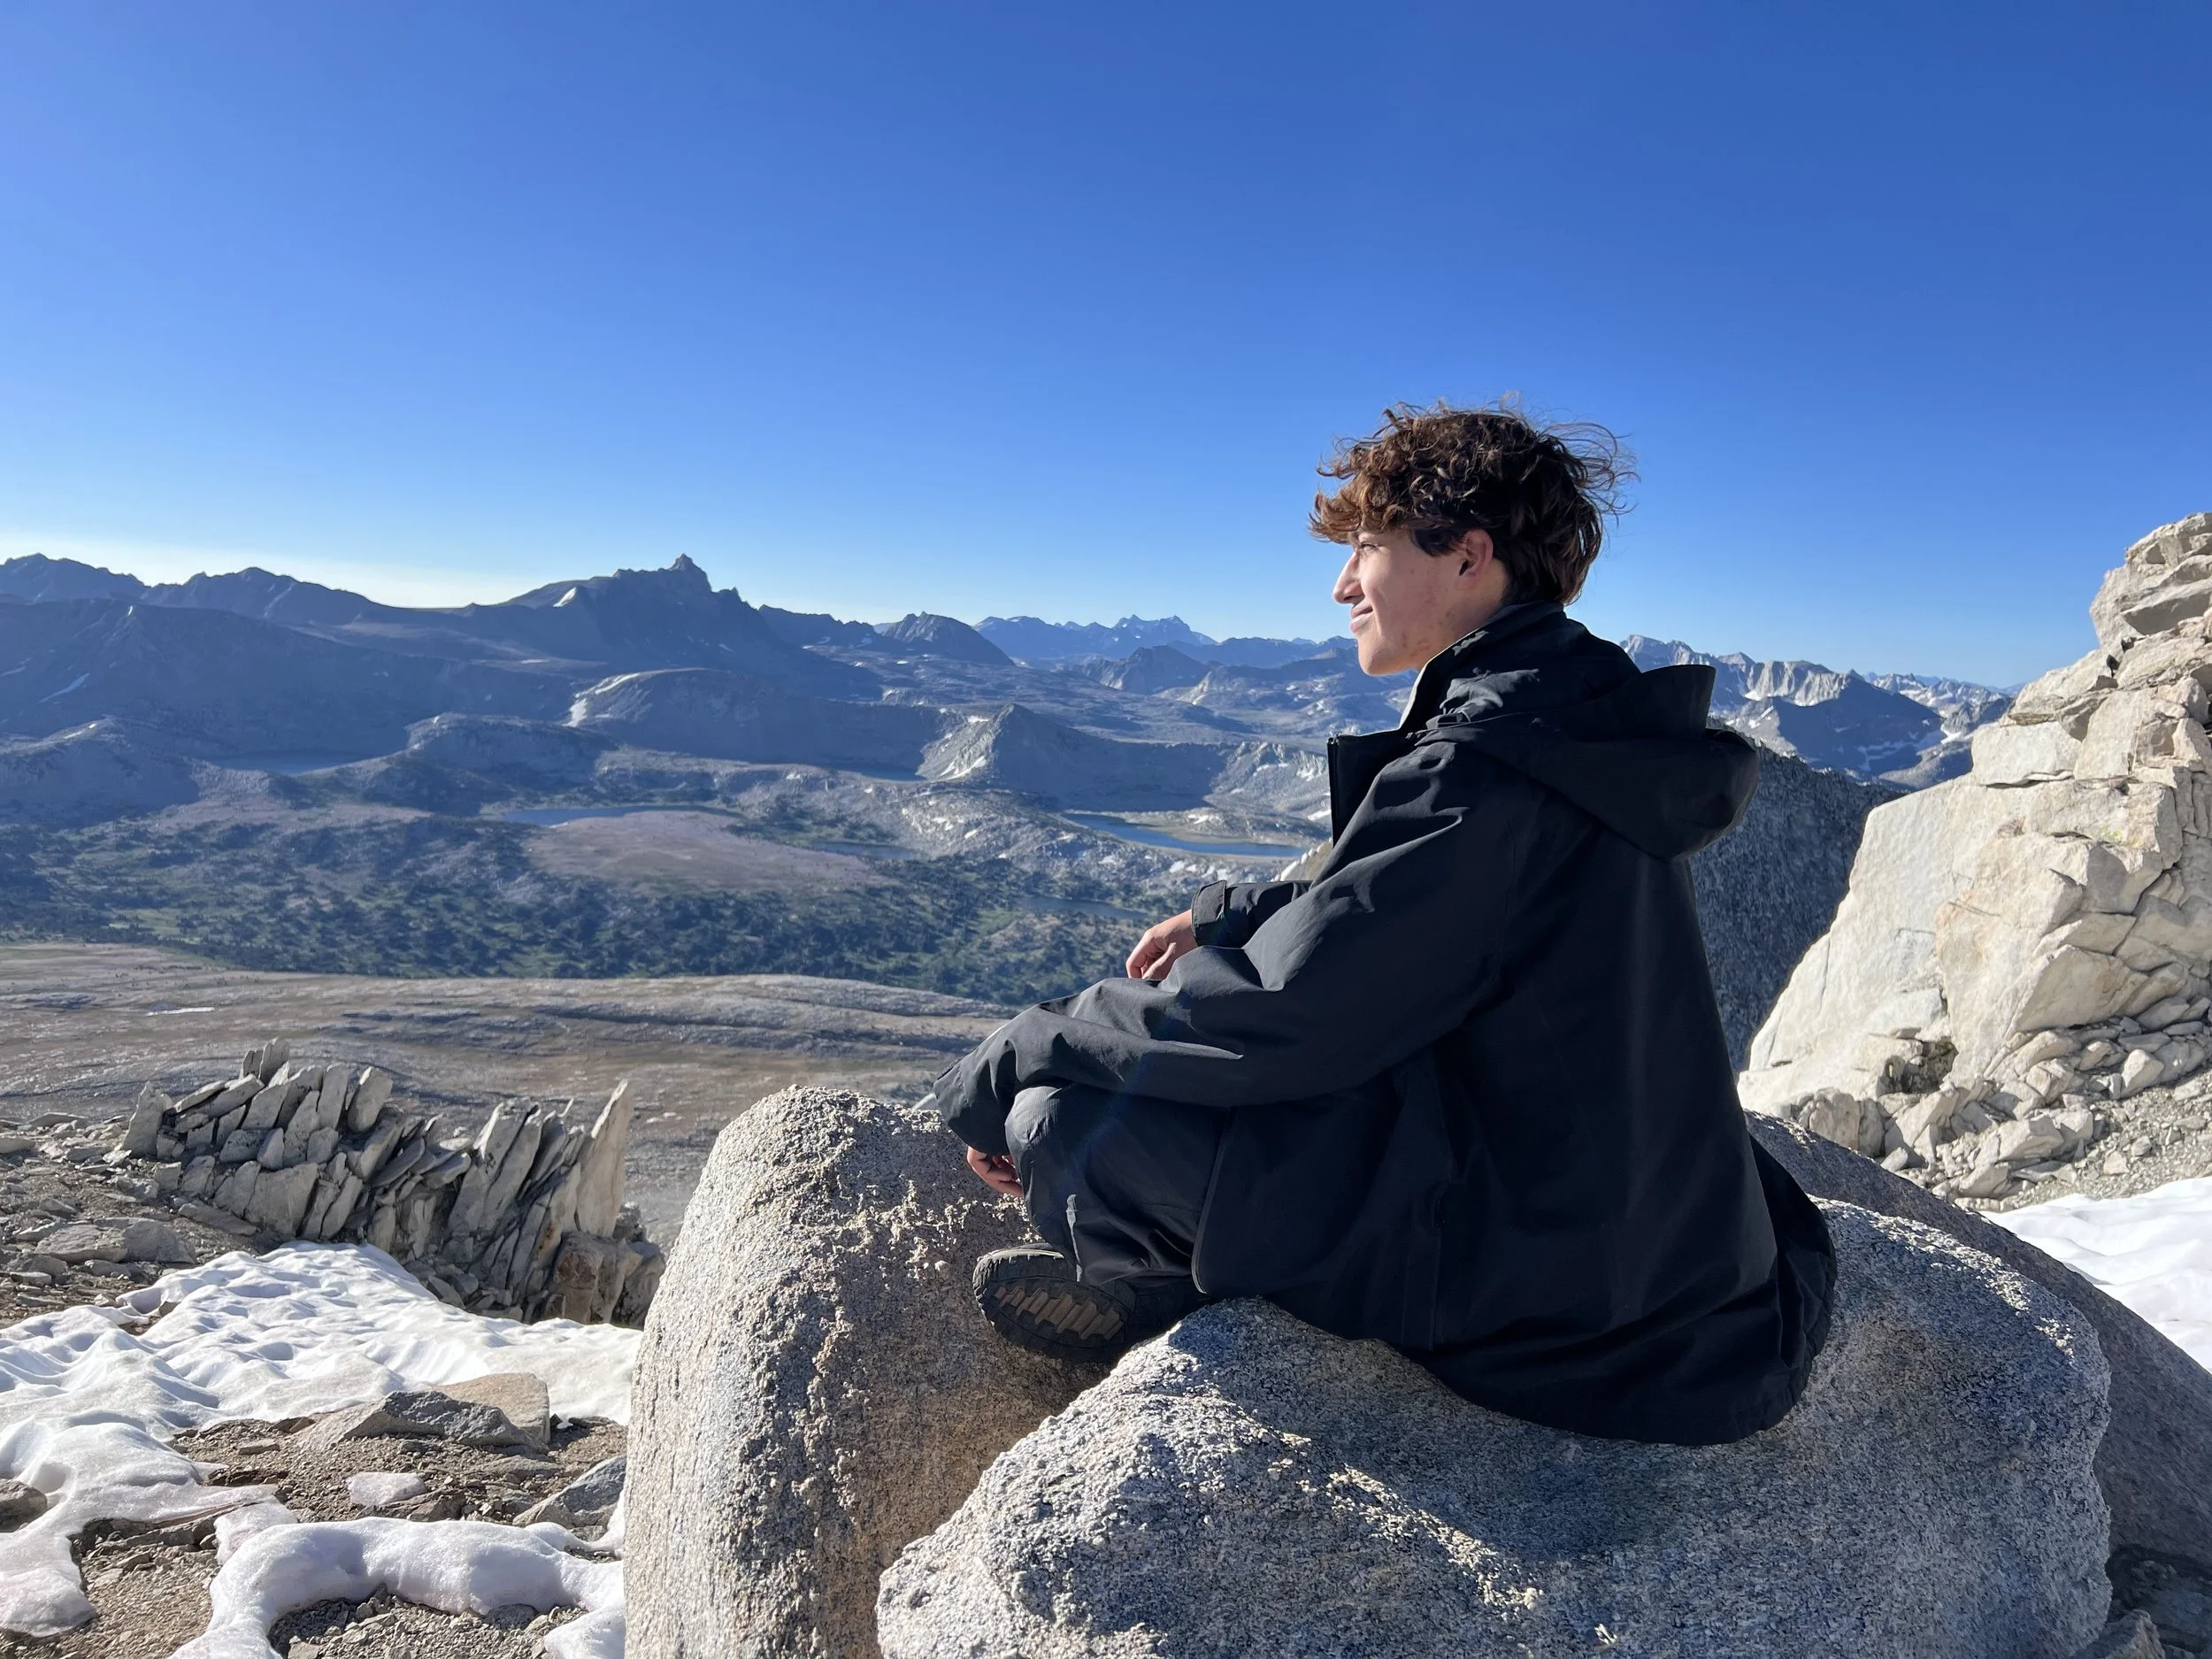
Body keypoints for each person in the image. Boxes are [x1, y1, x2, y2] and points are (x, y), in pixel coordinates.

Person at [927, 401, 1835, 1445]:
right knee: (1130, 1091)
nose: (1341, 583)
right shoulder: (1577, 722)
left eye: (1367, 546)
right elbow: (1416, 911)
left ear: (1468, 557)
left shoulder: (1485, 764)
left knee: (1065, 1124)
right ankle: (1169, 1271)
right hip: (1636, 1235)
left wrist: (1017, 1052)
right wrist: (1235, 911)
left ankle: (1157, 1292)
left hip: (1569, 1298)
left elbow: (1279, 1023)